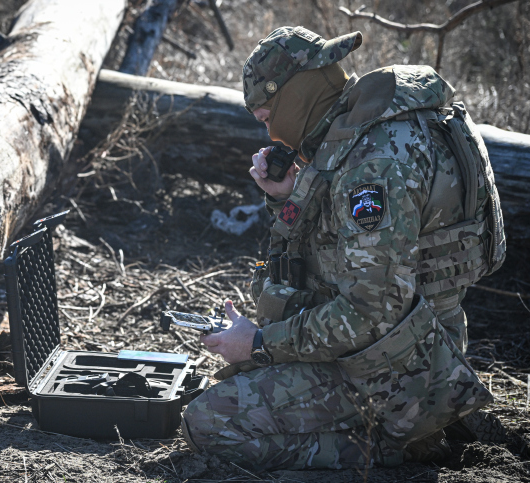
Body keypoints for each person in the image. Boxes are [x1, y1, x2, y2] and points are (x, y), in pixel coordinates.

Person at [180, 26, 506, 470]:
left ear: (295, 94)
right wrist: (288, 197)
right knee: (228, 385)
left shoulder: (371, 163)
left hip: (399, 372)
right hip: (414, 348)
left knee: (207, 421)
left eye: (265, 114)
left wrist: (258, 344)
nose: (270, 129)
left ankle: (398, 446)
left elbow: (369, 313)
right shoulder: (376, 124)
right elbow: (349, 264)